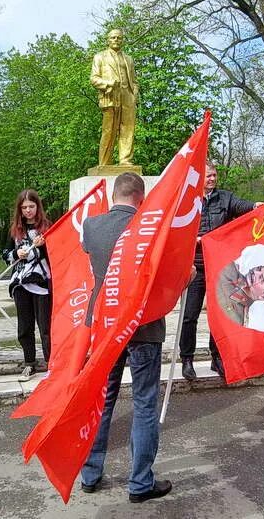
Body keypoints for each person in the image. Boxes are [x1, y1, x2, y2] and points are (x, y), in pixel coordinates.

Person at [79, 172, 172, 503]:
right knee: (145, 403)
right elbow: (163, 277)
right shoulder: (152, 229)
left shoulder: (92, 226)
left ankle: (91, 473)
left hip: (105, 325)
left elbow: (89, 253)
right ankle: (140, 483)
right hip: (143, 326)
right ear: (140, 197)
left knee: (102, 401)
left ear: (113, 194)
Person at [180, 160, 258, 380]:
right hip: (194, 268)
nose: (213, 179)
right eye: (209, 176)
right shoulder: (187, 201)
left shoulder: (225, 198)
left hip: (220, 268)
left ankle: (217, 357)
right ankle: (187, 359)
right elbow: (176, 229)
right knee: (189, 316)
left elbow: (242, 206)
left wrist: (256, 207)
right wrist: (192, 239)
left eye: (214, 175)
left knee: (221, 314)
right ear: (200, 179)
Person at [2, 189, 52, 382]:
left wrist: (44, 246)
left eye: (31, 206)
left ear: (38, 207)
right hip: (20, 284)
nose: (28, 211)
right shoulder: (15, 229)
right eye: (24, 207)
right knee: (24, 326)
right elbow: (5, 253)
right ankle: (29, 363)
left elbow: (56, 254)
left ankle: (51, 363)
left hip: (41, 283)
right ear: (20, 209)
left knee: (45, 327)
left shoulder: (47, 228)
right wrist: (15, 254)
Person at [90, 28, 139, 166]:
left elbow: (134, 80)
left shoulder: (128, 59)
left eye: (119, 38)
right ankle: (104, 162)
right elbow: (94, 78)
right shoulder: (100, 57)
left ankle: (125, 160)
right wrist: (108, 83)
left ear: (122, 40)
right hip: (110, 95)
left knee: (128, 129)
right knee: (109, 130)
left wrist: (134, 94)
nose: (116, 40)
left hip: (127, 96)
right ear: (108, 40)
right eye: (113, 38)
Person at [215, 261, 264, 327]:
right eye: (258, 268)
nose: (255, 273)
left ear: (262, 297)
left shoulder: (237, 318)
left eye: (261, 279)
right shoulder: (230, 267)